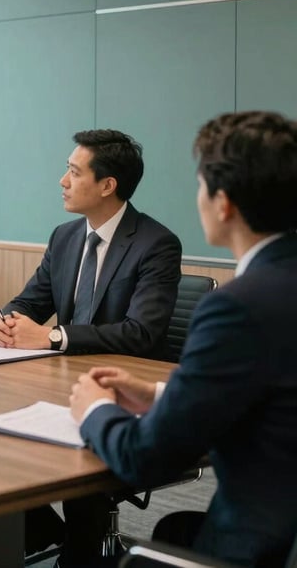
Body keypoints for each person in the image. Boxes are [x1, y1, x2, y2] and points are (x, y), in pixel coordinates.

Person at [70, 111, 297, 568]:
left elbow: (143, 458)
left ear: (224, 203)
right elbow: (273, 390)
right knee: (171, 531)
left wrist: (94, 408)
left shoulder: (238, 306)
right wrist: (160, 392)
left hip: (253, 546)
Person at [0, 129, 182, 565]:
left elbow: (141, 333)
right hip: (60, 380)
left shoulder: (156, 244)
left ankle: (81, 550)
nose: (62, 180)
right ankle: (45, 531)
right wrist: (5, 320)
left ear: (107, 185)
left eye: (74, 172)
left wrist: (55, 336)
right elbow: (30, 301)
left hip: (122, 391)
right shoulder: (65, 236)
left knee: (77, 449)